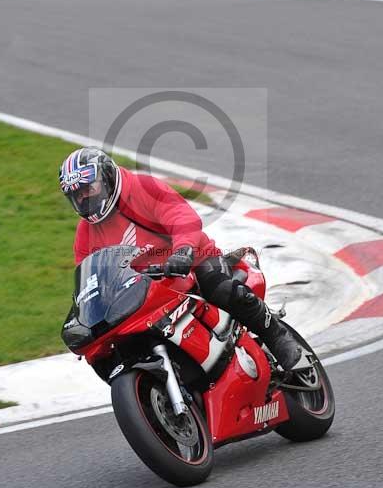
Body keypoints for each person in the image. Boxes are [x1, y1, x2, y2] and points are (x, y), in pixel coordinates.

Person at [59, 146, 301, 369]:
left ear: (107, 178)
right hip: (143, 292)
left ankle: (277, 335)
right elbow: (90, 279)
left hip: (189, 263)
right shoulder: (85, 233)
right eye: (77, 196)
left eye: (89, 189)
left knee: (220, 288)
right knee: (107, 351)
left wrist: (182, 251)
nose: (84, 199)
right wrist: (89, 319)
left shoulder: (142, 188)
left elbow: (180, 216)